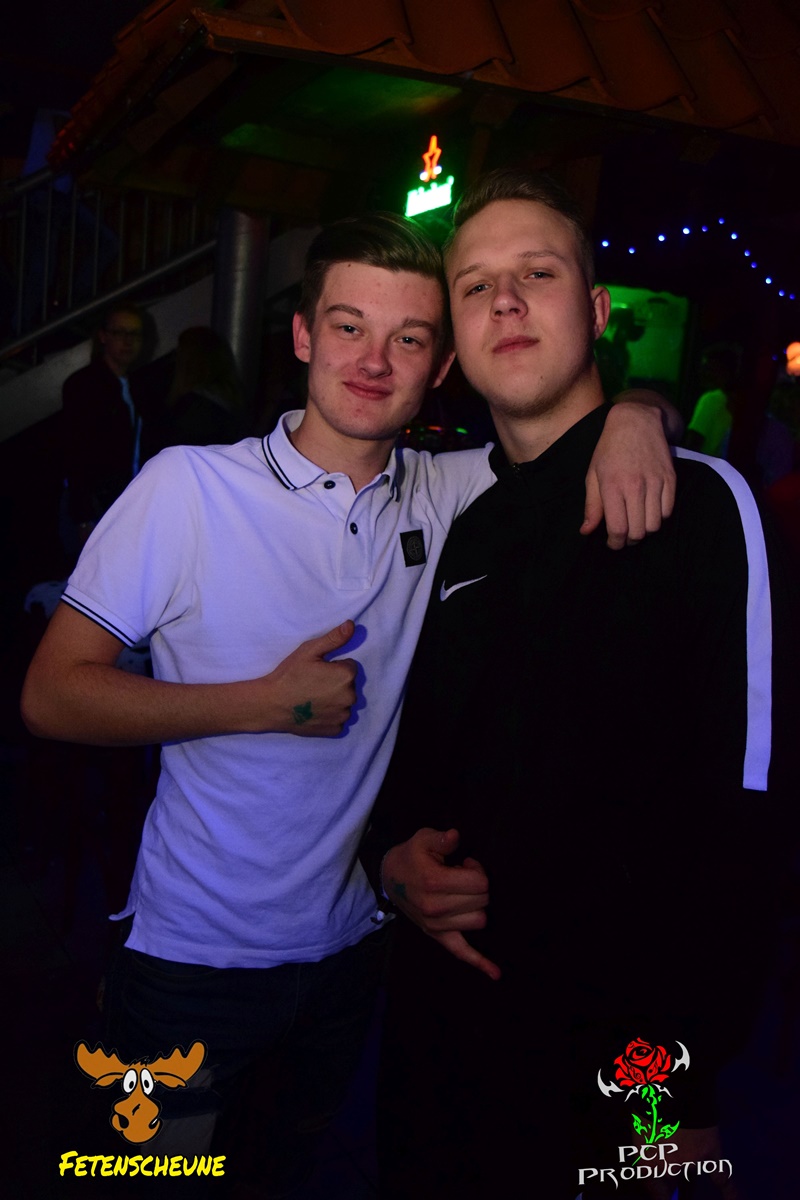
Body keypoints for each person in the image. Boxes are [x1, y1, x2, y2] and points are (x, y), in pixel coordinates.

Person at [22, 212, 676, 1196]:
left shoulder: (447, 491)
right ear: (301, 335)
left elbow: (568, 432)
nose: (373, 361)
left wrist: (637, 413)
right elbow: (51, 695)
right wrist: (261, 703)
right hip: (190, 963)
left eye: (407, 337)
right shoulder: (188, 487)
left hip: (349, 958)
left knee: (277, 1178)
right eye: (347, 327)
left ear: (441, 365)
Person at [366, 172, 794, 1198]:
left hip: (615, 1058)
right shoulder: (467, 528)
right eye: (476, 286)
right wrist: (390, 862)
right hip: (441, 1047)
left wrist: (674, 1096)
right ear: (456, 337)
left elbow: (746, 813)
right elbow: (420, 754)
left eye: (538, 274)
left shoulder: (699, 506)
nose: (505, 302)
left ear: (596, 311)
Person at [61, 301, 148, 552]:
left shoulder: (140, 386)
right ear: (103, 337)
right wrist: (83, 516)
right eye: (119, 333)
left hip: (126, 498)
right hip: (96, 502)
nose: (127, 341)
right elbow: (75, 452)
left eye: (134, 334)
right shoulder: (84, 385)